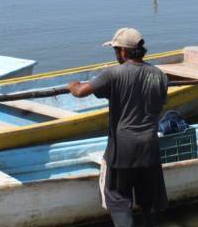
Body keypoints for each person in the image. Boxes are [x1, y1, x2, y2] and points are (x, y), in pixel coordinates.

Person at [68, 28, 169, 227]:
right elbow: (157, 102)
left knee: (118, 201)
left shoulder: (112, 74)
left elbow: (81, 92)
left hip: (121, 152)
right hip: (150, 149)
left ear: (123, 51)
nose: (115, 55)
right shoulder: (160, 76)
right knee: (149, 205)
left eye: (115, 50)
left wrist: (73, 84)